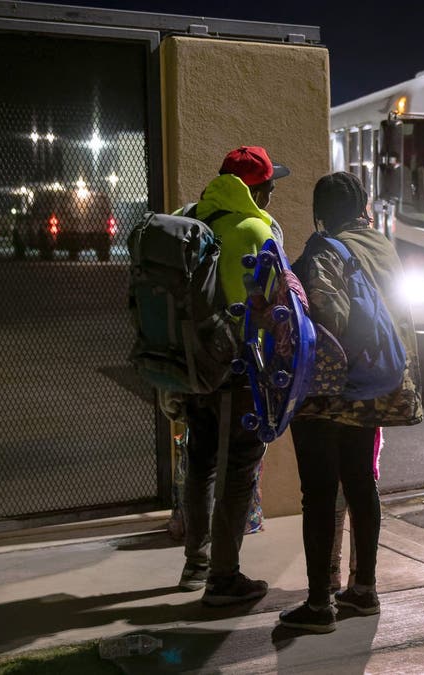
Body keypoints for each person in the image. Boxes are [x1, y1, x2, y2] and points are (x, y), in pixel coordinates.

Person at [279, 172, 422, 633]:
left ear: (321, 211)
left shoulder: (326, 249)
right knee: (360, 482)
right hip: (380, 383)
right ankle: (364, 590)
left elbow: (331, 316)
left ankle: (319, 605)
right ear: (361, 206)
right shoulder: (381, 246)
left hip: (334, 392)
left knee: (319, 492)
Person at [177, 145, 290, 606]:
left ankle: (196, 563)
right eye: (270, 188)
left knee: (200, 462)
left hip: (192, 364)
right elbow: (278, 304)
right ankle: (223, 581)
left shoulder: (190, 220)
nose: (271, 197)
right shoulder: (256, 229)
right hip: (239, 368)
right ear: (257, 190)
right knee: (239, 470)